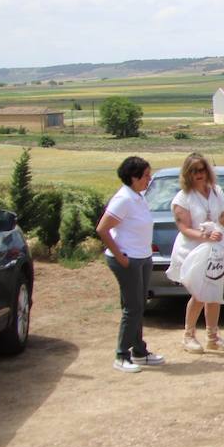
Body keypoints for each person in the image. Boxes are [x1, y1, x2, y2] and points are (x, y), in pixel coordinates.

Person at [95, 156, 165, 374]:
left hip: (142, 257)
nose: (149, 179)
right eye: (145, 175)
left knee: (138, 306)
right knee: (132, 307)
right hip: (128, 259)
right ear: (133, 178)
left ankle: (139, 351)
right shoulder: (123, 199)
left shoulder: (138, 196)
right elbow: (102, 229)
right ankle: (121, 354)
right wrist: (121, 256)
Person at [165, 152, 224, 354]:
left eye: (202, 169)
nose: (199, 174)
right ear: (187, 174)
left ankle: (213, 336)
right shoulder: (182, 198)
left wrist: (217, 229)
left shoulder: (216, 191)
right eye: (194, 171)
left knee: (214, 291)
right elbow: (185, 228)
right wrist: (206, 235)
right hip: (193, 250)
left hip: (216, 249)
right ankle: (188, 336)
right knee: (199, 293)